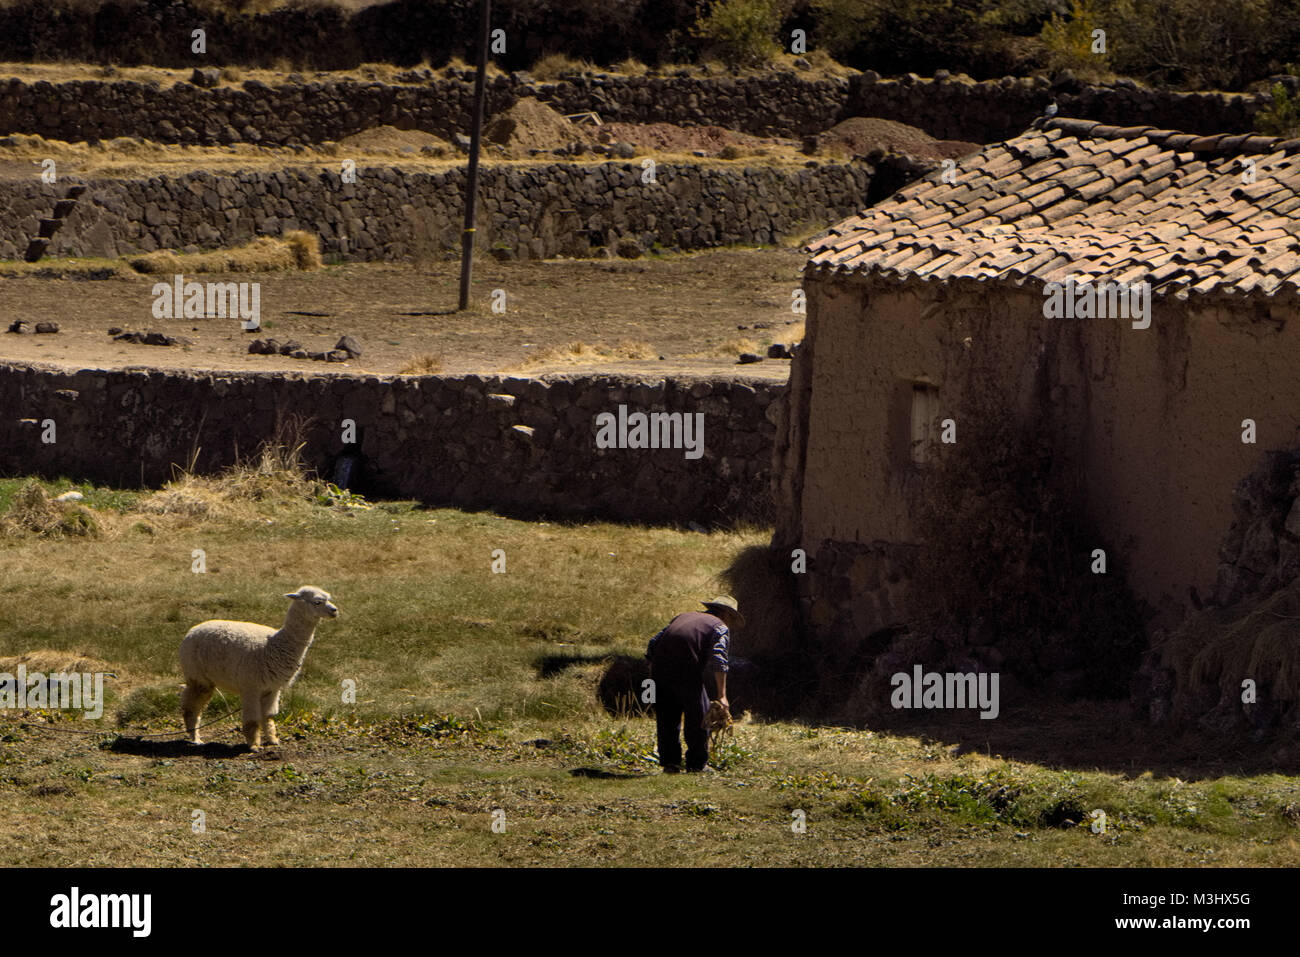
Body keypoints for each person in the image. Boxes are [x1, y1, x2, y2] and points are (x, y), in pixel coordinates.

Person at [645, 595, 744, 773]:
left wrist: (654, 670)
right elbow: (719, 659)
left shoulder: (682, 617)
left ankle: (670, 763)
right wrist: (722, 696)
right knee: (698, 714)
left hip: (660, 668)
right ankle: (697, 765)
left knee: (667, 715)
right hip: (686, 668)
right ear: (727, 615)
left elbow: (653, 642)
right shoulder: (719, 626)